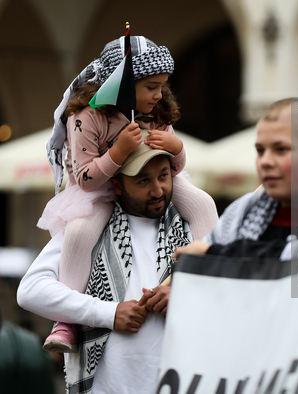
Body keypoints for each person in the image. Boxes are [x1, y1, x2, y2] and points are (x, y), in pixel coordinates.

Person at [38, 35, 217, 353]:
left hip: (152, 179)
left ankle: (205, 277)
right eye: (151, 87)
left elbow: (174, 168)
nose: (159, 94)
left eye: (162, 86)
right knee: (79, 232)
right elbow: (85, 178)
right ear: (120, 85)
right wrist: (118, 153)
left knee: (203, 202)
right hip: (100, 190)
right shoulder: (86, 118)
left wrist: (176, 148)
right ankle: (66, 320)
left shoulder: (156, 112)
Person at [17, 140, 204, 394]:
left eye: (164, 176)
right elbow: (31, 291)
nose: (158, 190)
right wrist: (109, 313)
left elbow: (231, 302)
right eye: (142, 180)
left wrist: (184, 300)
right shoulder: (85, 231)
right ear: (117, 185)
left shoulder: (195, 230)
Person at [173, 98, 298, 260]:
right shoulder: (240, 214)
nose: (265, 161)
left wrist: (216, 253)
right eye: (260, 151)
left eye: (281, 149)